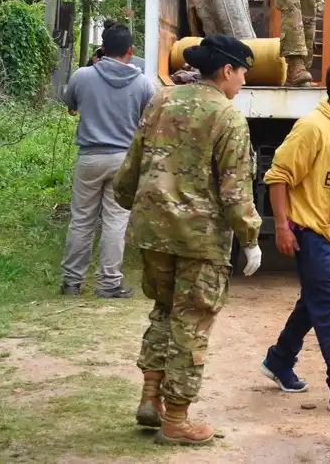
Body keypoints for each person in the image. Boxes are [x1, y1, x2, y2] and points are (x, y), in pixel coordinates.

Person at [113, 34, 263, 446]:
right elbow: (235, 190)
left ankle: (150, 397)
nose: (244, 82)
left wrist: (130, 201)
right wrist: (250, 237)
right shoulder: (228, 116)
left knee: (164, 310)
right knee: (192, 322)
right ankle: (176, 419)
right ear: (227, 70)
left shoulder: (162, 99)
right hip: (200, 239)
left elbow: (134, 161)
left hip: (152, 229)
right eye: (243, 73)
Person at [260, 57, 330, 414]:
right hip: (310, 231)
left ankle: (279, 359)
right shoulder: (311, 127)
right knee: (327, 306)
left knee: (312, 302)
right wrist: (281, 225)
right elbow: (278, 176)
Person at [61, 25, 156, 298]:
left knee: (82, 220)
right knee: (116, 220)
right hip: (123, 159)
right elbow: (148, 122)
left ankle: (71, 282)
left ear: (102, 48)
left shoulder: (82, 76)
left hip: (90, 157)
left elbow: (71, 107)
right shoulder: (143, 83)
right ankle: (108, 284)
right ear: (131, 51)